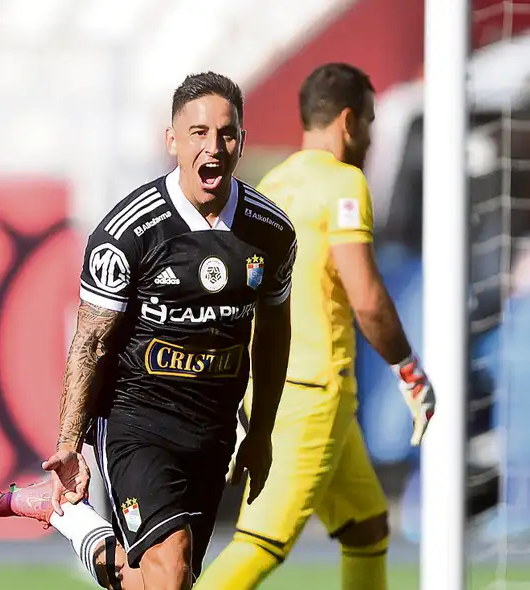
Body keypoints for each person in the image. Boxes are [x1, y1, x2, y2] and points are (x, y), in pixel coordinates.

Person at [0, 72, 296, 590]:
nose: (213, 147)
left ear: (242, 141)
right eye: (198, 133)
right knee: (170, 566)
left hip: (214, 425)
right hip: (138, 419)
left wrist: (261, 430)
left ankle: (71, 520)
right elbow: (90, 342)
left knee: (154, 580)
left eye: (226, 133)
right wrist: (69, 445)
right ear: (172, 140)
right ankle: (72, 510)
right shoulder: (128, 230)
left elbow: (273, 333)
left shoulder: (272, 231)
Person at [195, 63, 436, 590]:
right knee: (259, 545)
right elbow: (367, 298)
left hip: (272, 388)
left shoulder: (269, 185)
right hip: (312, 394)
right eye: (370, 122)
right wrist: (409, 371)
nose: (372, 138)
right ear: (349, 122)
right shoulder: (345, 184)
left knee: (367, 526)